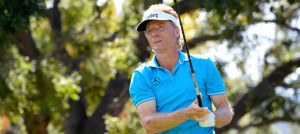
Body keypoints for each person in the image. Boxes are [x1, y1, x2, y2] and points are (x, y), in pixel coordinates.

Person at [129, 4, 233, 134]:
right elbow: (149, 123)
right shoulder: (141, 75)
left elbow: (225, 112)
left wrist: (211, 117)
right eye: (149, 31)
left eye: (160, 27)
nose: (154, 34)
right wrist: (186, 114)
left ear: (177, 31)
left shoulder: (204, 64)